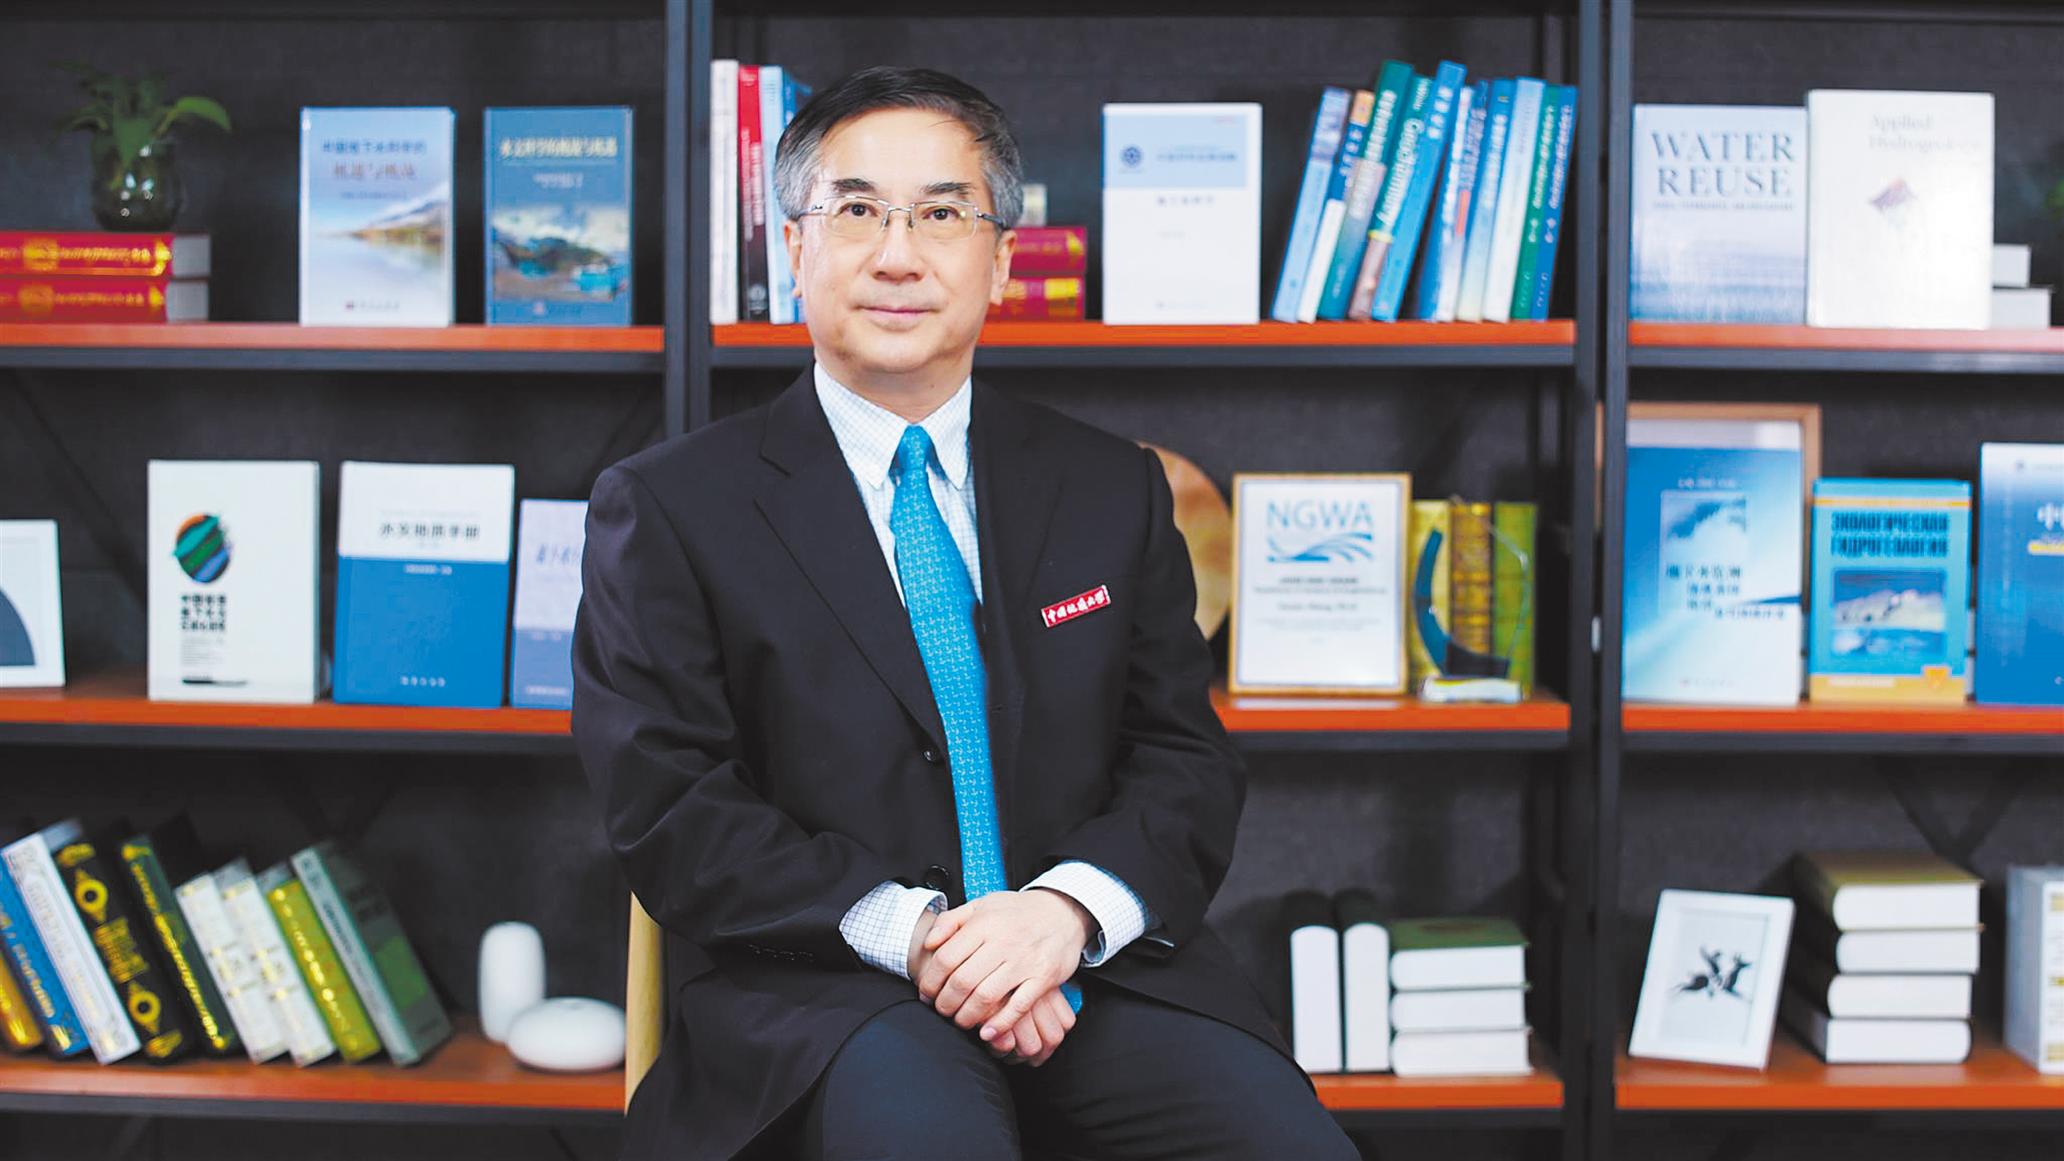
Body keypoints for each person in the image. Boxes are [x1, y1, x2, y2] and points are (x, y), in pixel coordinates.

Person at [573, 65, 1358, 1161]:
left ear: (1002, 259)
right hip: (827, 994)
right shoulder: (669, 508)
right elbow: (672, 808)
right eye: (857, 211)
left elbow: (1184, 759)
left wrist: (1065, 915)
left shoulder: (1112, 488)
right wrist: (927, 938)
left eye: (942, 214)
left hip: (1093, 969)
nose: (898, 255)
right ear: (794, 247)